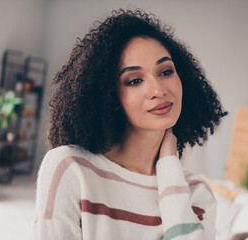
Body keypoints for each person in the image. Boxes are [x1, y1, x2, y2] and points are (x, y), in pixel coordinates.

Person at [33, 8, 227, 240]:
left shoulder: (197, 193)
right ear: (111, 97)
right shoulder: (69, 168)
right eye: (134, 80)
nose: (158, 90)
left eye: (165, 71)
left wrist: (169, 168)